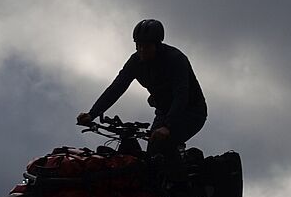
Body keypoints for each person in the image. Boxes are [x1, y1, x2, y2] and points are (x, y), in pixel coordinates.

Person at [76, 19, 207, 155]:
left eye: (147, 46)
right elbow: (116, 88)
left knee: (161, 145)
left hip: (191, 112)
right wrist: (92, 114)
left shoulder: (176, 59)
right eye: (139, 45)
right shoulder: (135, 62)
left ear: (157, 45)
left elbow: (181, 95)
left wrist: (168, 126)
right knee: (151, 154)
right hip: (164, 111)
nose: (142, 50)